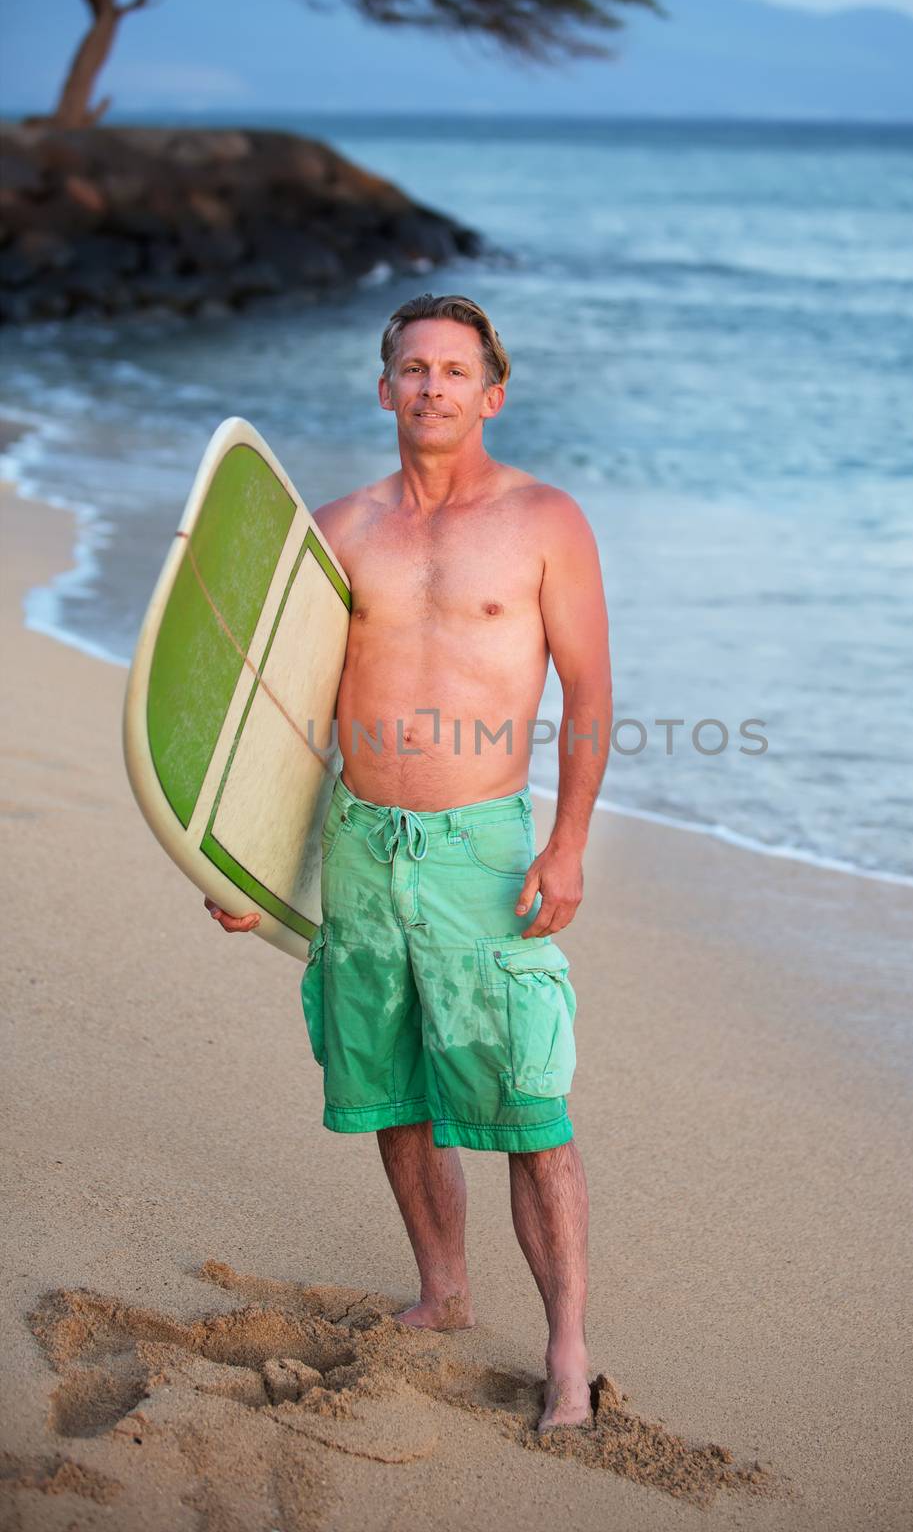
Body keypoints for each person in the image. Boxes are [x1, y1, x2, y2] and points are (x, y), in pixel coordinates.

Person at [205, 292, 612, 1431]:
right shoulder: (335, 530)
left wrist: (567, 841)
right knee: (389, 1080)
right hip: (359, 840)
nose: (431, 386)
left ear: (492, 392)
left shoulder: (545, 521)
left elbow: (588, 692)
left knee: (529, 1102)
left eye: (453, 369)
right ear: (383, 388)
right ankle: (440, 1290)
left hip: (480, 848)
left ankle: (567, 1348)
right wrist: (239, 864)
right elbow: (283, 711)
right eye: (412, 368)